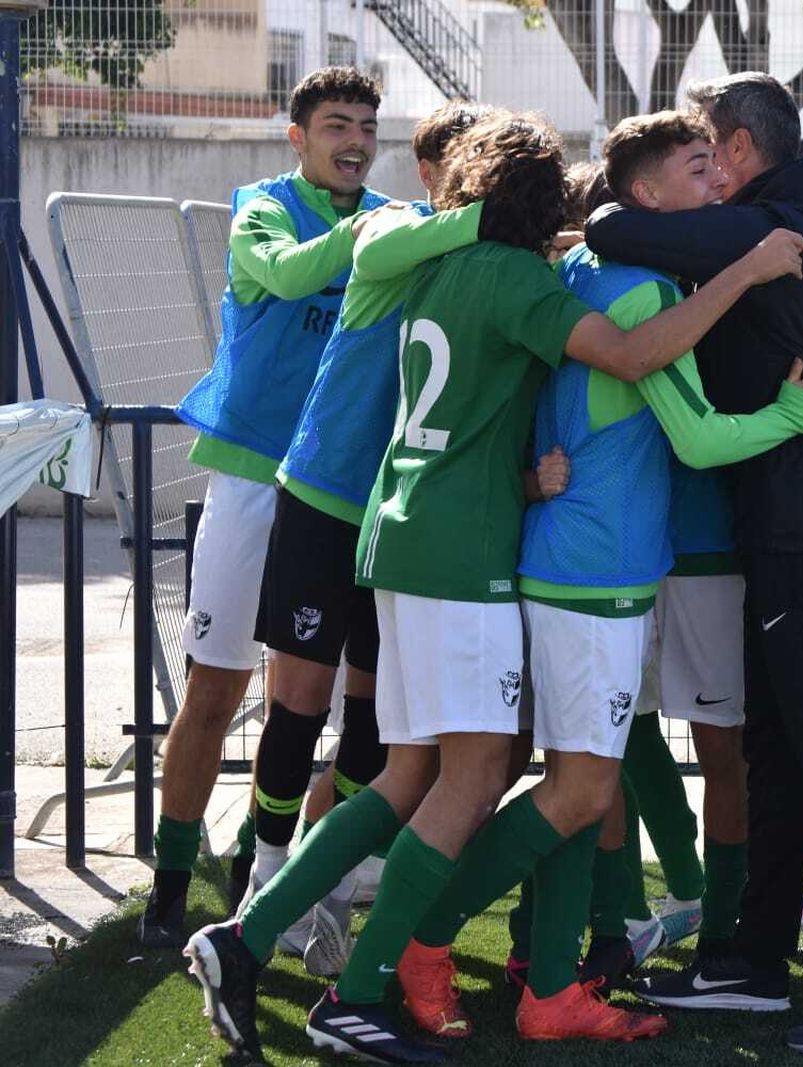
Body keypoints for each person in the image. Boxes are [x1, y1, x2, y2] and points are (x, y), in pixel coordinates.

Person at [185, 110, 803, 1065]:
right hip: (467, 558)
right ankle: (363, 977)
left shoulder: (424, 259)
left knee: (414, 774)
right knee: (478, 775)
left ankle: (258, 933)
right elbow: (635, 356)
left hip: (401, 536)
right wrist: (747, 271)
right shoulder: (529, 283)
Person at [390, 109, 803, 1046]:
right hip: (591, 576)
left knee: (577, 788)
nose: (719, 181)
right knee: (581, 794)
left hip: (579, 568)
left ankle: (549, 984)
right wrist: (797, 409)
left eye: (721, 164)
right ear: (642, 194)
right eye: (697, 167)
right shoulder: (635, 294)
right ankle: (419, 934)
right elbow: (701, 436)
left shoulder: (588, 268)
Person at [585, 73, 803, 1051]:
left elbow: (615, 229)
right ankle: (751, 958)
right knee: (777, 744)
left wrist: (645, 210)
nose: (703, 172)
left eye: (706, 153)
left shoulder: (784, 228)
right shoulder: (790, 217)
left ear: (739, 149)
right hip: (790, 523)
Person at [228, 100, 500, 979]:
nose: (474, 182)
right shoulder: (393, 226)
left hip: (397, 509)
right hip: (320, 491)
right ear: (431, 174)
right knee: (296, 701)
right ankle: (263, 877)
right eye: (462, 165)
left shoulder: (481, 250)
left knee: (374, 714)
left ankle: (324, 890)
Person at [140, 67, 389, 949]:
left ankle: (263, 865)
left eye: (365, 124)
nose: (354, 140)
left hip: (341, 492)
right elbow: (283, 278)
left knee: (320, 702)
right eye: (335, 124)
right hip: (253, 479)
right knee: (217, 686)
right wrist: (374, 234)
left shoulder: (387, 215)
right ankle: (169, 891)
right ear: (298, 136)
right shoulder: (264, 209)